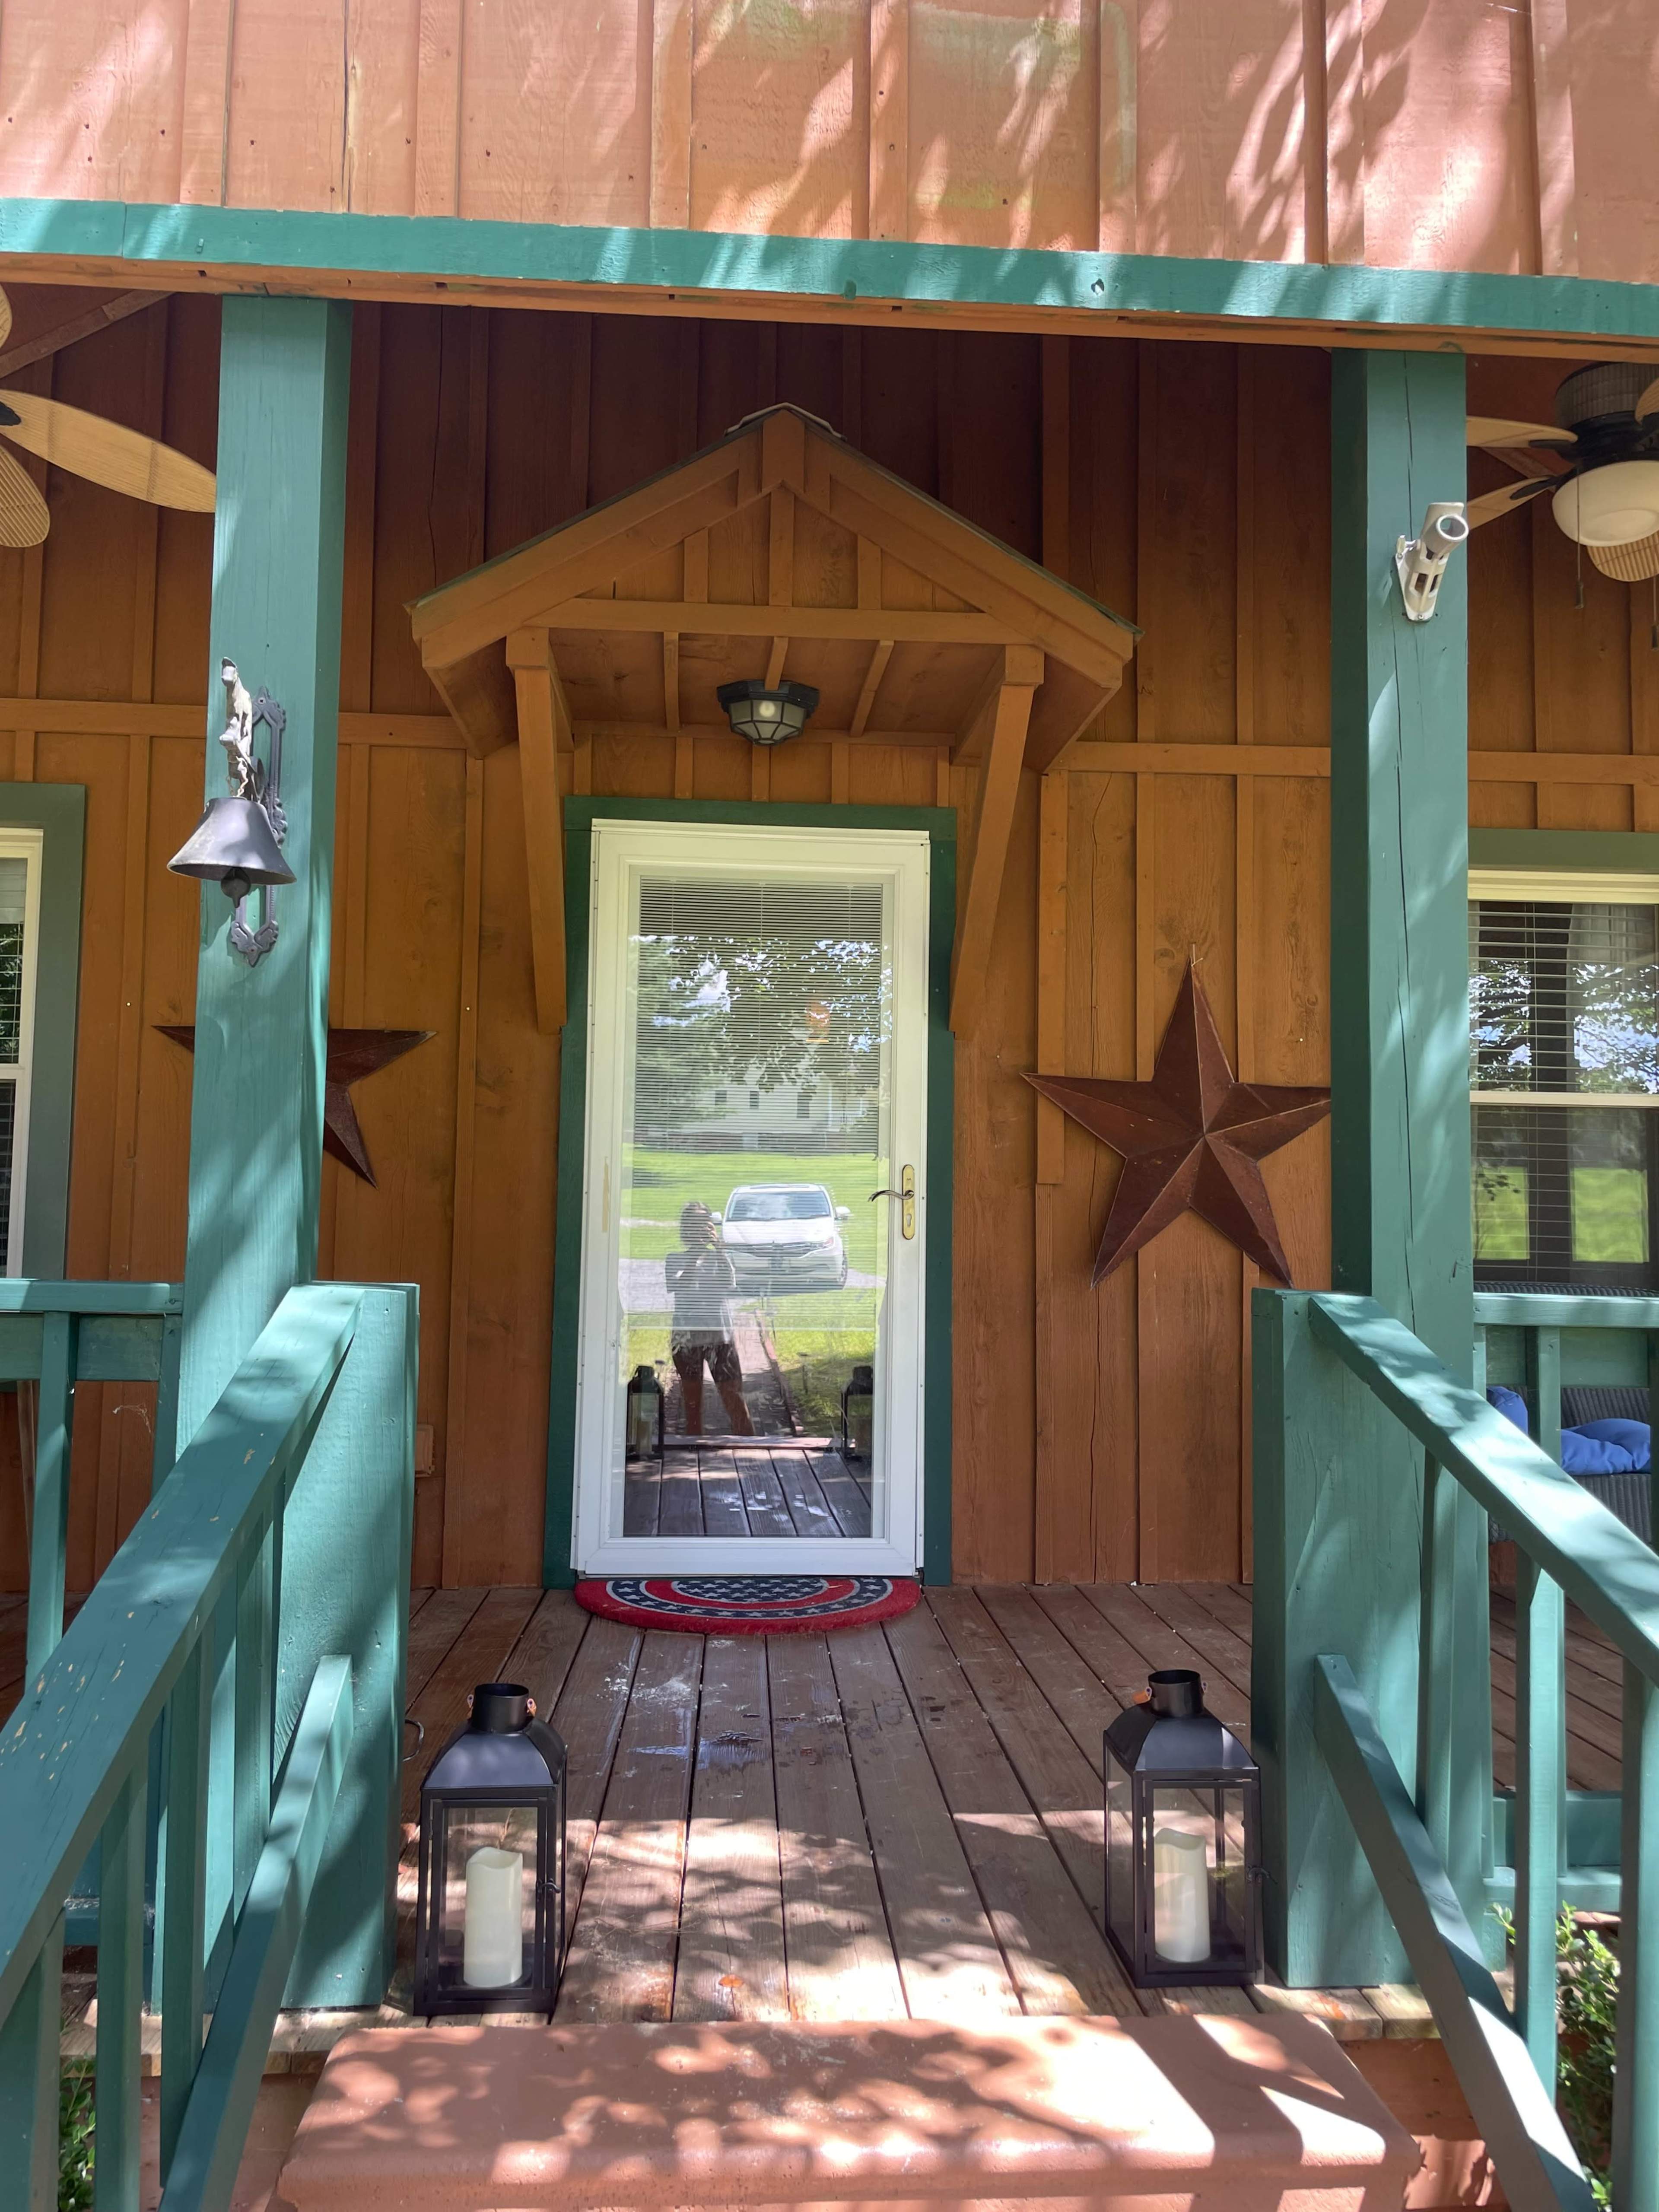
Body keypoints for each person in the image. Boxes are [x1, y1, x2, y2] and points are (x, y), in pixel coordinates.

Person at [663, 1201, 754, 1437]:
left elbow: (729, 1285)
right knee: (692, 1405)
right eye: (694, 1226)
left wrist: (719, 1249)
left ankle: (748, 1449)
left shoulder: (720, 1258)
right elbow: (678, 1285)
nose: (700, 1230)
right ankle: (693, 1457)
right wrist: (695, 1255)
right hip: (687, 1338)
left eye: (704, 1225)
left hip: (719, 1336)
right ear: (685, 1231)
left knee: (734, 1399)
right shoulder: (674, 1259)